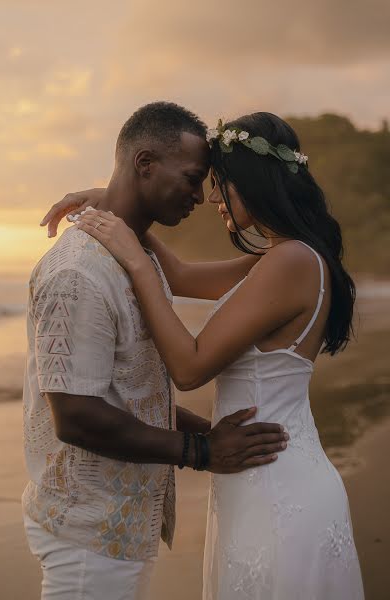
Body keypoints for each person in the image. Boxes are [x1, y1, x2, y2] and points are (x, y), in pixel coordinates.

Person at [65, 111, 365, 599]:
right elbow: (180, 277)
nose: (209, 198)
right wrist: (115, 209)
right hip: (262, 474)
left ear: (251, 183)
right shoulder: (282, 257)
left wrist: (135, 259)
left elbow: (189, 367)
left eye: (220, 183)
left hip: (277, 486)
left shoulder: (291, 261)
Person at [23, 102, 289, 600]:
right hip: (88, 529)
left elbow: (128, 389)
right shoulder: (78, 272)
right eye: (192, 178)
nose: (199, 195)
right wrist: (202, 451)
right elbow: (76, 415)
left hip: (116, 525)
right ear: (145, 164)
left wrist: (209, 431)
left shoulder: (135, 251)